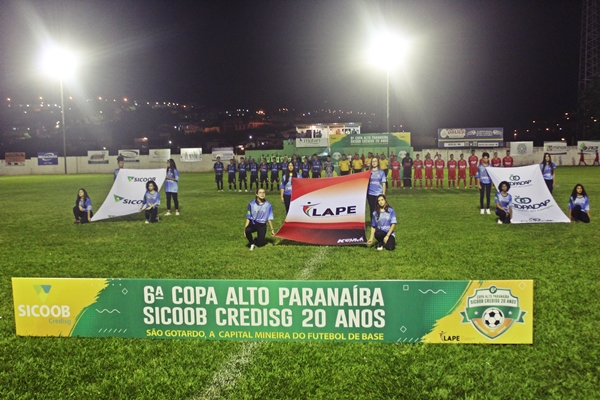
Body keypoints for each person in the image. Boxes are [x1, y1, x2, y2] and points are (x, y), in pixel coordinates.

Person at [366, 156, 387, 224]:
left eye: (375, 161)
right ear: (371, 163)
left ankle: (380, 222)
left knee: (379, 209)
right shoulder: (368, 172)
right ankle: (373, 223)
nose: (374, 163)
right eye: (373, 161)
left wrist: (383, 194)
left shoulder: (381, 172)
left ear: (378, 162)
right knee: (372, 209)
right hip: (370, 194)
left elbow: (384, 183)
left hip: (378, 194)